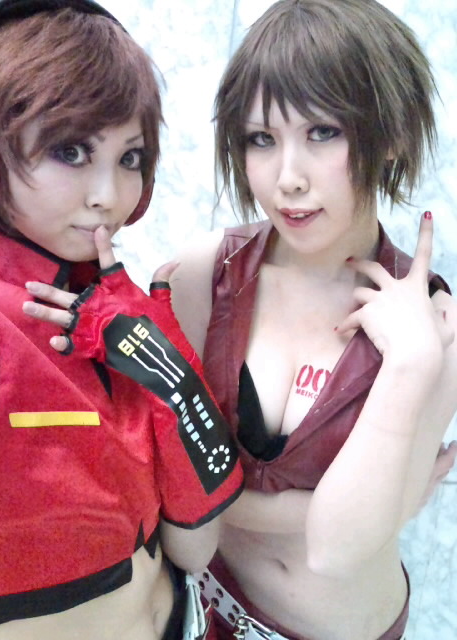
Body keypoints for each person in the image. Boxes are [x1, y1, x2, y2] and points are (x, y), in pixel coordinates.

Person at [165, 1, 457, 638]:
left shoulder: (432, 326)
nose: (288, 179)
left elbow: (337, 549)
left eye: (323, 132)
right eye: (261, 139)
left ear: (392, 135)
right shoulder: (202, 277)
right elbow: (165, 483)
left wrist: (410, 366)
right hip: (209, 607)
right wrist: (325, 506)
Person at [0, 1, 243, 638]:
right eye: (70, 150)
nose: (110, 197)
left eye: (130, 158)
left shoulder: (103, 301)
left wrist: (168, 370)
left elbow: (193, 547)